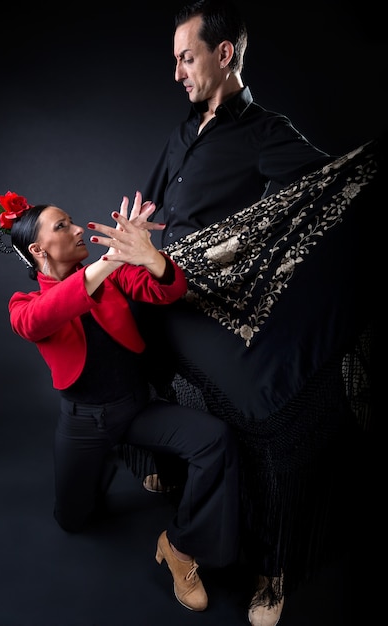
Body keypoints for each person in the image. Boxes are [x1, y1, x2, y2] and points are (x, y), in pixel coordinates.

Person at [134, 1, 373, 625]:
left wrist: (247, 253)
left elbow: (327, 193)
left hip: (209, 295)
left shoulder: (265, 130)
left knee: (261, 405)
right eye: (175, 61)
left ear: (224, 54)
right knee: (118, 336)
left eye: (187, 58)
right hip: (157, 284)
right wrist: (130, 239)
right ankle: (164, 463)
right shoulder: (182, 131)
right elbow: (149, 204)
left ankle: (271, 566)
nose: (178, 73)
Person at [0, 189, 241, 613]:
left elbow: (168, 291)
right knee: (74, 521)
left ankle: (180, 544)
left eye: (72, 220)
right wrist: (111, 259)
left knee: (216, 440)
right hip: (85, 425)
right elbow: (39, 318)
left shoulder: (115, 275)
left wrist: (148, 256)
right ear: (38, 249)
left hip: (138, 408)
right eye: (62, 225)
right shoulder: (24, 304)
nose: (78, 228)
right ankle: (106, 467)